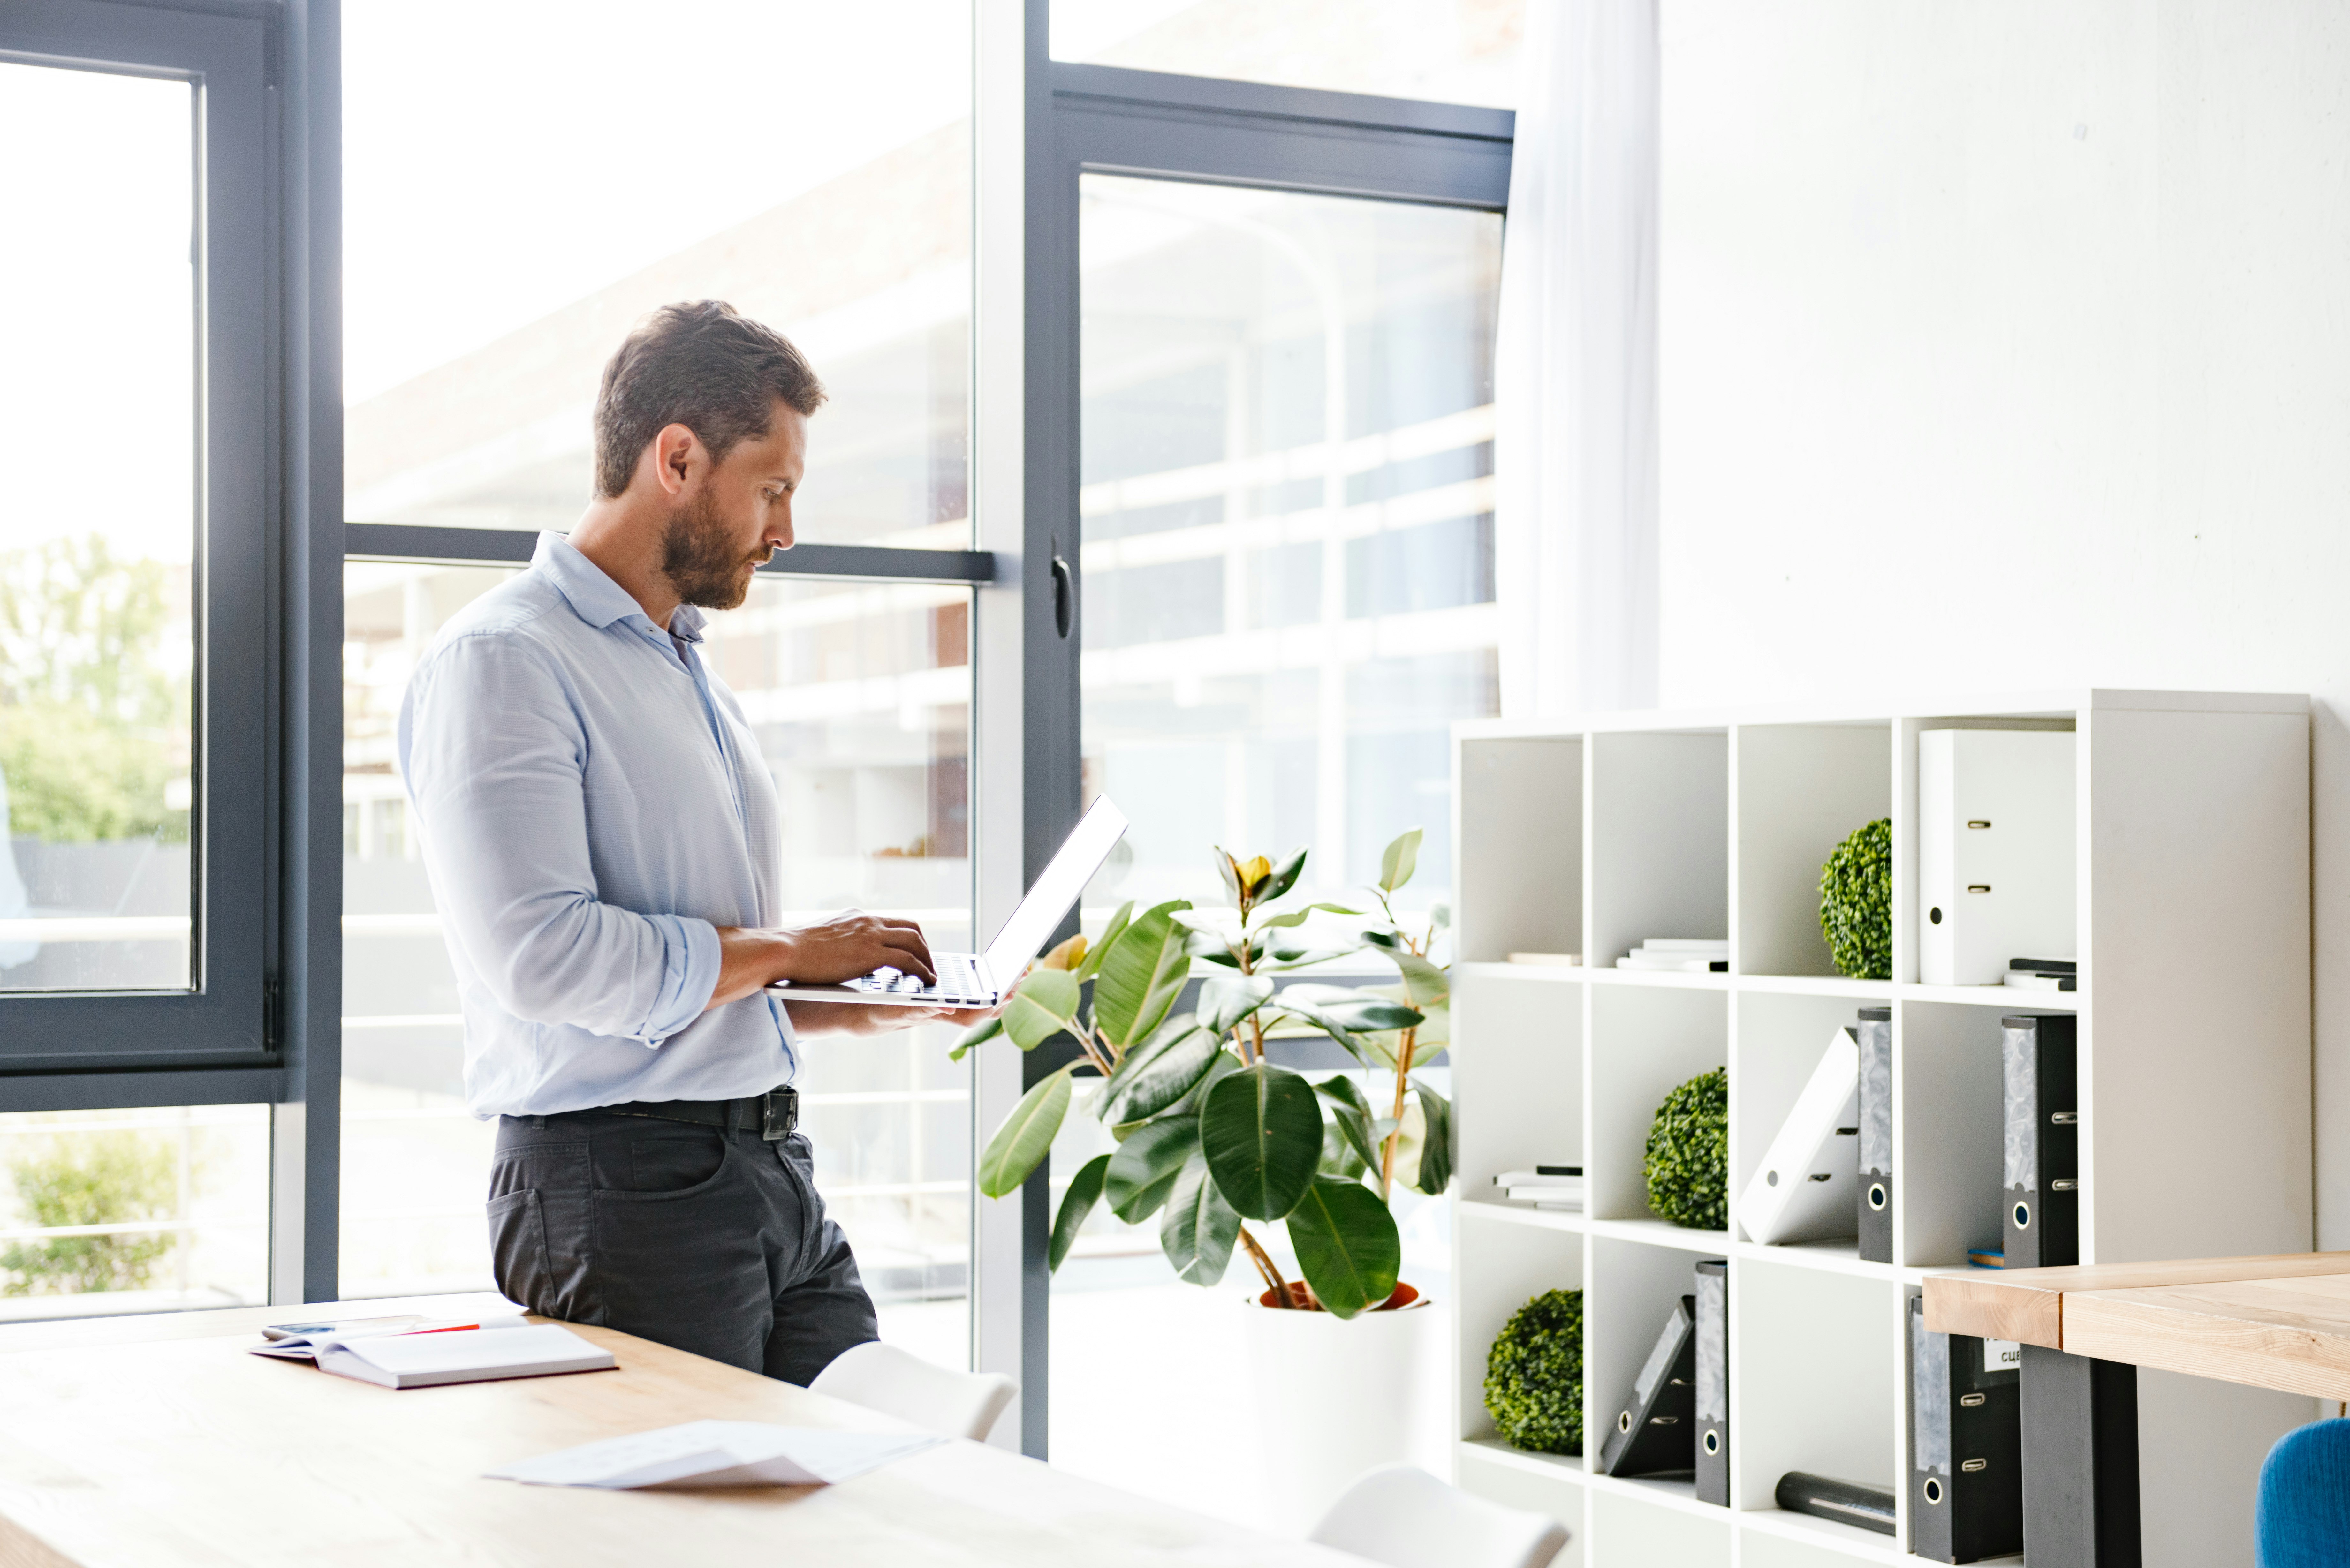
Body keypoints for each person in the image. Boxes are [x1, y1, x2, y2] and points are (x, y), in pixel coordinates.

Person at [398, 300, 982, 1383]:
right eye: (773, 489)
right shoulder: (504, 661)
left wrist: (868, 990)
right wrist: (797, 948)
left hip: (764, 1167)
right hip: (621, 1187)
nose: (785, 530)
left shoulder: (687, 671)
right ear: (676, 458)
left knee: (869, 1482)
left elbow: (715, 974)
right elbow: (543, 958)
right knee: (686, 1533)